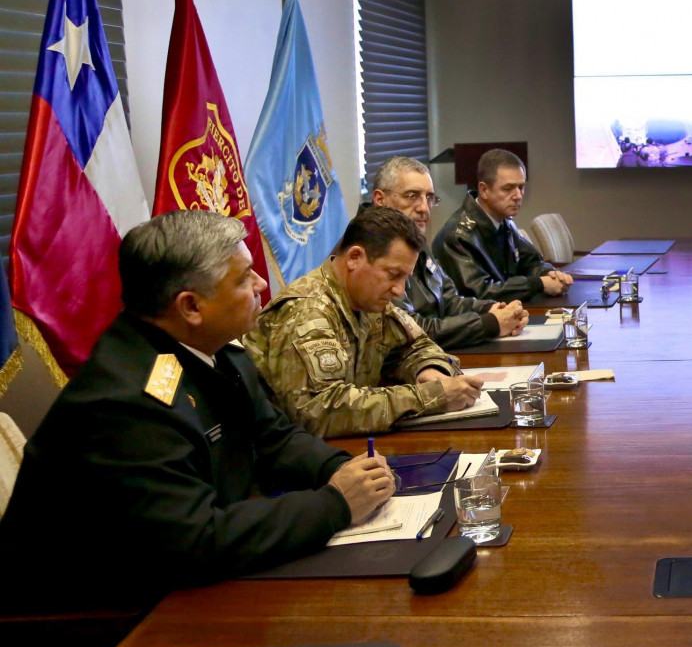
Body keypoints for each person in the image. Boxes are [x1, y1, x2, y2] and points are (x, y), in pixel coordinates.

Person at [0, 211, 395, 612]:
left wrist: (344, 468)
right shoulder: (123, 404)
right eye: (242, 278)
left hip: (177, 585)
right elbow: (196, 540)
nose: (261, 284)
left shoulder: (213, 349)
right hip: (90, 625)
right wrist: (335, 503)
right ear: (190, 306)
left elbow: (273, 437)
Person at [244, 206, 483, 438]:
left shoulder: (369, 300)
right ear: (355, 258)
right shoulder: (307, 311)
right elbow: (320, 413)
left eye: (405, 278)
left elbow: (416, 345)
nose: (400, 290)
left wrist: (430, 370)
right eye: (393, 275)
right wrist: (430, 396)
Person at [371, 156, 528, 349]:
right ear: (380, 200)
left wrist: (494, 309)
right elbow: (408, 330)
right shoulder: (370, 251)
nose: (424, 208)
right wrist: (489, 323)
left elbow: (449, 300)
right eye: (411, 196)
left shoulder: (411, 237)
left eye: (429, 198)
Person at [433, 148, 574, 300]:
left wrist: (551, 275)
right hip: (479, 320)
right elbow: (479, 291)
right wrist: (539, 284)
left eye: (521, 187)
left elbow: (532, 262)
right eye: (508, 188)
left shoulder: (504, 221)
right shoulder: (457, 236)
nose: (518, 196)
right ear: (484, 190)